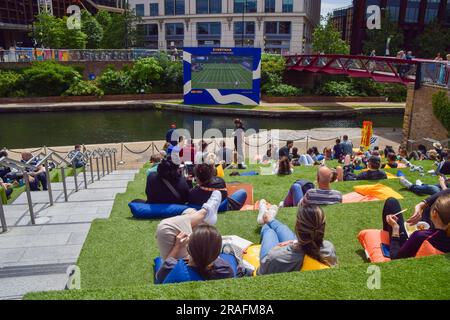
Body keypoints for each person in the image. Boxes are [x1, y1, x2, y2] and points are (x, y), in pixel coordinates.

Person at [155, 191, 246, 283]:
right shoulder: (225, 270)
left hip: (189, 262)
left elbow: (159, 279)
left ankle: (204, 212)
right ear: (217, 254)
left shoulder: (173, 268)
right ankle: (204, 213)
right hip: (204, 261)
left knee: (165, 226)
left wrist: (177, 247)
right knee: (190, 213)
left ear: (188, 248)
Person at [255, 203, 337, 275]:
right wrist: (294, 242)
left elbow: (260, 273)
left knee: (269, 231)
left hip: (273, 257)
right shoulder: (328, 247)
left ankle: (265, 219)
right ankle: (270, 219)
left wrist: (279, 248)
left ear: (297, 227)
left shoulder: (274, 257)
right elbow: (308, 248)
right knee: (281, 228)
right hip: (300, 246)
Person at [380, 193, 450, 259]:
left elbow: (396, 258)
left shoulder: (420, 236)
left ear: (434, 213)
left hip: (405, 249)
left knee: (391, 202)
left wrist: (395, 228)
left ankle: (388, 240)